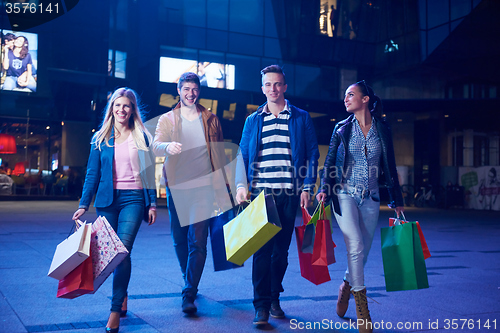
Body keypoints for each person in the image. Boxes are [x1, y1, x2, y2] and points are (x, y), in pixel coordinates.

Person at [316, 80, 404, 333]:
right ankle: (362, 307)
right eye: (345, 95)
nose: (346, 99)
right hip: (344, 194)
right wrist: (324, 189)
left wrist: (396, 200)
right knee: (354, 244)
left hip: (372, 197)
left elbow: (390, 165)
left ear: (365, 99)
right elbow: (330, 162)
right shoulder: (341, 129)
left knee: (362, 252)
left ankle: (346, 285)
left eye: (351, 94)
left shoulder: (382, 129)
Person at [235, 64, 319, 325]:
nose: (273, 89)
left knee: (280, 252)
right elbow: (243, 155)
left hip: (289, 193)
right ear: (262, 89)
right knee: (261, 251)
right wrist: (240, 185)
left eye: (277, 84)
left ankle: (274, 296)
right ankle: (261, 305)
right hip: (261, 194)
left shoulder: (300, 117)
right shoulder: (253, 119)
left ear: (285, 86)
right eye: (268, 84)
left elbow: (312, 154)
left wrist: (307, 187)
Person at [72, 87, 157, 333]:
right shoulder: (100, 138)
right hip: (107, 201)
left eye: (126, 106)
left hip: (134, 199)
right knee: (114, 255)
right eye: (117, 105)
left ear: (132, 110)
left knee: (122, 251)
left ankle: (114, 309)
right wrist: (83, 205)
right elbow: (92, 174)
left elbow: (149, 173)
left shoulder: (142, 136)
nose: (121, 110)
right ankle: (124, 293)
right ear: (112, 108)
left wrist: (152, 203)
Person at [153, 72, 227, 314]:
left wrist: (224, 188)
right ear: (179, 91)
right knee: (179, 239)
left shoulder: (211, 119)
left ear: (199, 91)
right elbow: (155, 145)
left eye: (194, 89)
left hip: (204, 189)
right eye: (186, 89)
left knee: (198, 240)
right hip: (177, 187)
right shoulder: (168, 118)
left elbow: (219, 156)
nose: (190, 93)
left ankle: (189, 292)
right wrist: (167, 146)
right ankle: (190, 279)